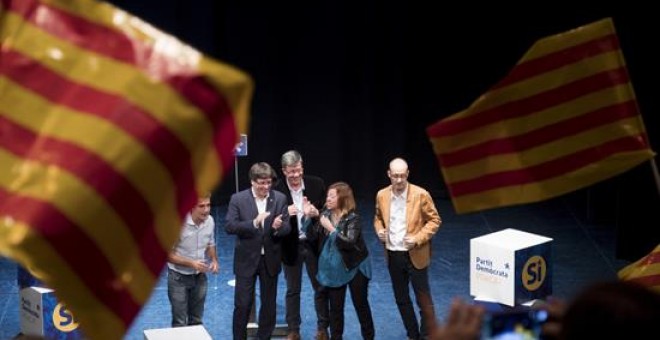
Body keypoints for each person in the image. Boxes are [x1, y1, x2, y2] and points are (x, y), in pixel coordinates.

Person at [374, 157, 441, 340]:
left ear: (408, 174)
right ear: (389, 174)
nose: (398, 180)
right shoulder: (382, 195)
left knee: (423, 299)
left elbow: (435, 220)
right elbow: (378, 217)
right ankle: (413, 334)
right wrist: (380, 230)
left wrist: (418, 238)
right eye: (395, 176)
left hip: (416, 254)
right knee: (401, 298)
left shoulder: (421, 195)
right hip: (393, 254)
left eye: (402, 176)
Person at [225, 162, 291, 340]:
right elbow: (230, 226)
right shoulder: (237, 199)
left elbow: (287, 228)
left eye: (268, 182)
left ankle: (264, 337)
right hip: (246, 260)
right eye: (262, 183)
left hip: (270, 260)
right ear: (252, 182)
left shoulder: (279, 198)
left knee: (269, 305)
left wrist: (278, 227)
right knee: (243, 304)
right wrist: (253, 223)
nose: (266, 187)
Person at [273, 150, 329, 340]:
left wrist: (316, 213)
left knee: (320, 287)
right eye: (291, 172)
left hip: (313, 245)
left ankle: (322, 329)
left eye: (298, 170)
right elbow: (274, 222)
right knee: (292, 290)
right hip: (290, 246)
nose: (295, 175)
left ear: (302, 168)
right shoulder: (277, 191)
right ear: (284, 171)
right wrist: (285, 214)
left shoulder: (317, 184)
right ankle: (293, 330)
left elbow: (329, 213)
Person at [309, 181, 375, 340]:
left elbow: (348, 242)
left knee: (361, 305)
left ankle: (369, 337)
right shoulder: (325, 214)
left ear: (343, 198)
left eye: (332, 196)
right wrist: (311, 217)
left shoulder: (353, 218)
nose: (328, 199)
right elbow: (313, 236)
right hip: (334, 267)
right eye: (328, 196)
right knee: (335, 308)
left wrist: (331, 229)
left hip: (354, 266)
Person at [166, 193, 219, 327]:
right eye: (201, 206)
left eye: (208, 205)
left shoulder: (210, 221)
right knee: (179, 323)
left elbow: (210, 243)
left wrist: (214, 260)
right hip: (178, 278)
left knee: (196, 321)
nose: (206, 210)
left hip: (200, 278)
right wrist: (192, 263)